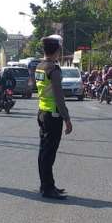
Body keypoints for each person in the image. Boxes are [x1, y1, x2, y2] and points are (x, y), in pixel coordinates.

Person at [35, 34, 72, 200]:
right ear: (56, 51)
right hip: (53, 114)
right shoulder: (54, 69)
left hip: (42, 112)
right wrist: (67, 118)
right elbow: (59, 96)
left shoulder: (40, 67)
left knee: (44, 152)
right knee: (49, 153)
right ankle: (47, 188)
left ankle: (47, 185)